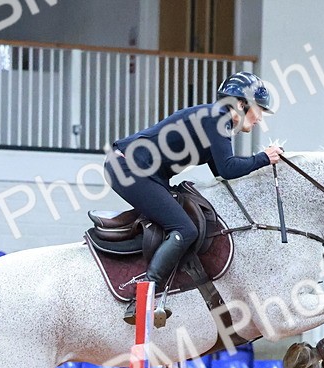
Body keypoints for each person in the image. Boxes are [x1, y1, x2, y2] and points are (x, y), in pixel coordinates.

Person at [106, 71, 284, 324]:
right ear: (241, 104)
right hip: (129, 169)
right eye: (259, 110)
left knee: (183, 221)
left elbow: (223, 175)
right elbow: (228, 168)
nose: (259, 119)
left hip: (139, 171)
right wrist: (264, 158)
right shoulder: (218, 119)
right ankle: (145, 293)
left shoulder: (216, 121)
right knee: (184, 228)